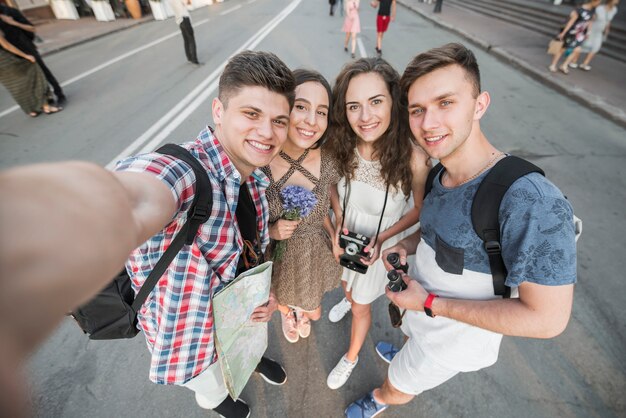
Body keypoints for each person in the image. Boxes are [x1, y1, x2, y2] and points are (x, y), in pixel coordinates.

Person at [345, 43, 577, 418]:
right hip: (418, 313)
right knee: (408, 344)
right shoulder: (439, 172)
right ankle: (405, 347)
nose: (428, 123)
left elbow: (547, 320)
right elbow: (432, 230)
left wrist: (431, 303)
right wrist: (404, 245)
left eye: (445, 103)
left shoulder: (532, 201)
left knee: (402, 380)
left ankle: (380, 400)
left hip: (450, 341)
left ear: (480, 104)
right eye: (417, 110)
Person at [326, 57, 430, 391]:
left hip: (380, 243)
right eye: (354, 106)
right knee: (346, 286)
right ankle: (348, 296)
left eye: (375, 102)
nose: (365, 117)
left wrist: (382, 238)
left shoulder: (413, 156)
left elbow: (419, 210)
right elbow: (330, 183)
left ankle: (352, 356)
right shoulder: (342, 142)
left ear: (393, 101)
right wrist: (338, 219)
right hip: (345, 237)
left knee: (361, 306)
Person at [261, 69, 342, 343]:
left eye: (321, 111)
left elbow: (331, 189)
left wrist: (337, 224)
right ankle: (287, 313)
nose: (311, 120)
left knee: (314, 311)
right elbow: (241, 220)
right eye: (301, 107)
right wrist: (270, 231)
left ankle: (302, 313)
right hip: (277, 255)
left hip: (311, 253)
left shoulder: (328, 158)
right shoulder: (261, 158)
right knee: (282, 297)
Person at [0, 4, 66, 105]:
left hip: (25, 47)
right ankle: (45, 99)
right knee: (29, 78)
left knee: (43, 71)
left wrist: (13, 23)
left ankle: (59, 94)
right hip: (11, 53)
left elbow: (32, 28)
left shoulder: (10, 12)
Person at [0, 31, 62, 116]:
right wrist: (25, 56)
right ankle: (46, 106)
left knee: (15, 88)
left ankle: (31, 110)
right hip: (7, 61)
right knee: (34, 77)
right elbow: (7, 46)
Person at [549, 0, 602, 74]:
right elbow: (571, 22)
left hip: (580, 35)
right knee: (562, 49)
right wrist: (563, 33)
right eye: (598, 1)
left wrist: (588, 33)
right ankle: (553, 65)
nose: (599, 3)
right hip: (571, 33)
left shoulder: (592, 11)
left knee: (577, 50)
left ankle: (564, 65)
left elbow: (589, 22)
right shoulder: (579, 10)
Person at [569, 0, 619, 71]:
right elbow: (591, 19)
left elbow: (608, 21)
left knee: (596, 47)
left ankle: (585, 63)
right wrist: (588, 31)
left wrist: (607, 30)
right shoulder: (599, 8)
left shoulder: (614, 10)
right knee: (583, 45)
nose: (617, 1)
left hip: (599, 32)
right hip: (592, 29)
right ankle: (574, 60)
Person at [167, 0, 200, 64]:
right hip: (185, 19)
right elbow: (188, 3)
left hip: (179, 20)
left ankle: (189, 58)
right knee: (191, 39)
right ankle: (194, 59)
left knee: (186, 40)